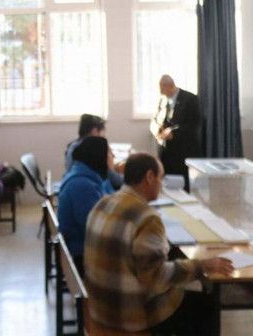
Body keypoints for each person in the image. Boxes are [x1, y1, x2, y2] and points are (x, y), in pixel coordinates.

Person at [84, 153, 233, 334]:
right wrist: (201, 266)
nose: (161, 184)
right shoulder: (147, 218)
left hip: (100, 308)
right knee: (207, 307)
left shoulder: (102, 203)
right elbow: (156, 277)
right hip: (130, 315)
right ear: (149, 177)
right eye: (160, 178)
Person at [57, 136, 114, 274]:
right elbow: (95, 227)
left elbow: (112, 200)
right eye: (110, 153)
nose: (113, 156)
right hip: (82, 253)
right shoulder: (82, 185)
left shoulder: (91, 175)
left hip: (85, 245)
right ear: (98, 156)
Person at [149, 75, 202, 191]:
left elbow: (194, 124)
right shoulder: (163, 99)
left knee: (183, 185)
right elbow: (155, 119)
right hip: (166, 151)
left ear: (170, 86)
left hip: (184, 150)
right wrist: (156, 128)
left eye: (162, 89)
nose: (161, 92)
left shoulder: (190, 99)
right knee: (168, 183)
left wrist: (173, 132)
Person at [65, 114, 124, 190]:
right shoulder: (92, 150)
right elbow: (115, 180)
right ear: (94, 130)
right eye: (102, 133)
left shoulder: (74, 145)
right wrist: (110, 165)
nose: (103, 136)